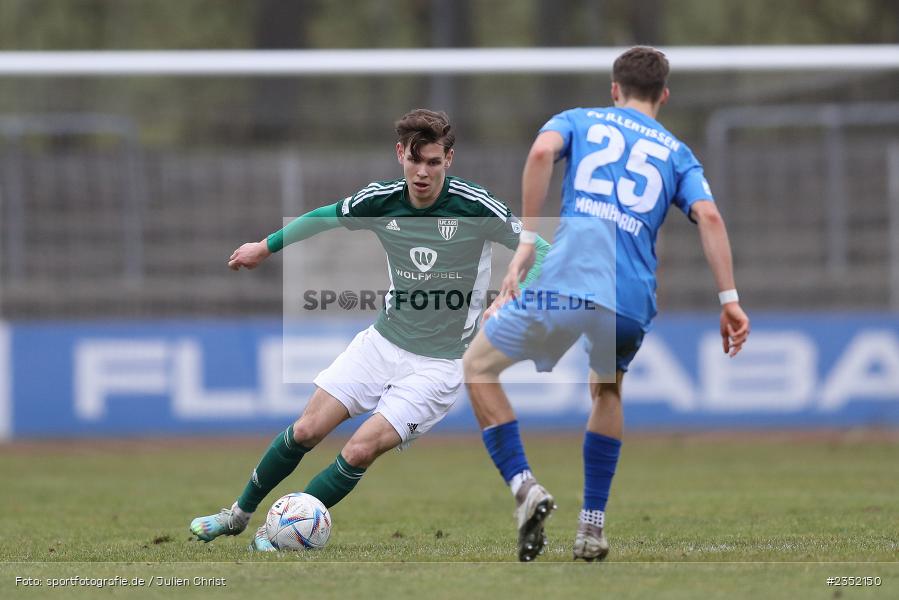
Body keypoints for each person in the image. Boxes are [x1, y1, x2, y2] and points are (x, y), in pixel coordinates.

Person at [189, 109, 550, 550]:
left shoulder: (477, 207)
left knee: (359, 450)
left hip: (439, 367)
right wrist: (264, 247)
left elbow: (544, 251)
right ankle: (237, 516)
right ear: (400, 154)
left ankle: (278, 533)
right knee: (306, 430)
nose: (423, 172)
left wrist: (507, 298)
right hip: (382, 344)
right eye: (415, 160)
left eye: (434, 162)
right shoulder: (381, 200)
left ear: (448, 160)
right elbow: (325, 215)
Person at [462, 46, 750, 562]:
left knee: (479, 366)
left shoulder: (579, 119)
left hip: (570, 279)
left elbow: (539, 154)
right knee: (607, 390)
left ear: (614, 90)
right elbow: (709, 217)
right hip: (631, 299)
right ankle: (591, 528)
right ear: (663, 95)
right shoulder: (678, 153)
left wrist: (528, 240)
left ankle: (526, 487)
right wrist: (729, 300)